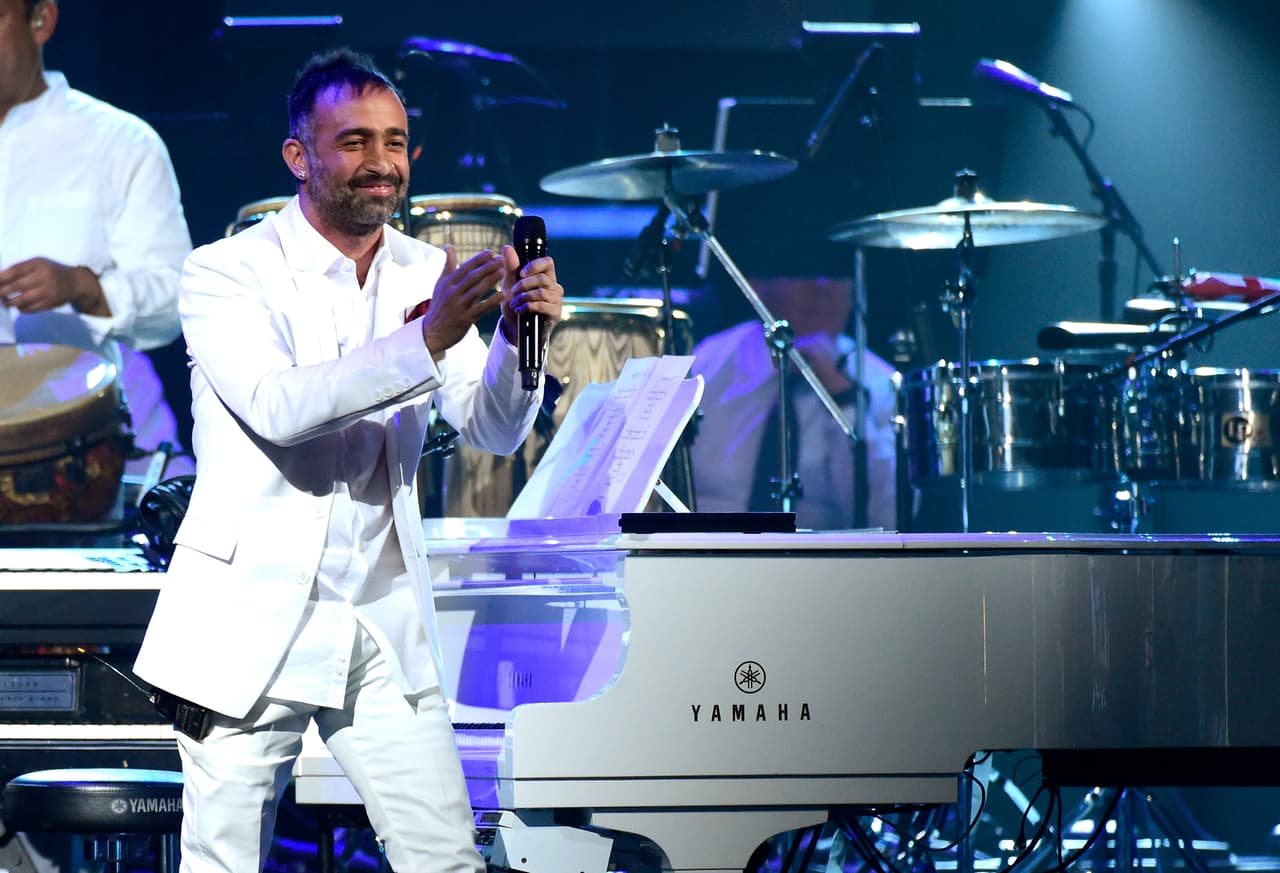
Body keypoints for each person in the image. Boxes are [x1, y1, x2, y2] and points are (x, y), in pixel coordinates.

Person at [133, 48, 562, 872]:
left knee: (444, 859)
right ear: (299, 156)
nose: (382, 164)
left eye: (396, 143)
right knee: (223, 861)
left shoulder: (424, 270)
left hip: (381, 616)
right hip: (249, 619)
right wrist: (427, 336)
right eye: (355, 142)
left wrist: (516, 341)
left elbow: (493, 427)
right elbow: (281, 407)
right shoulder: (225, 271)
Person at [0, 0, 195, 480]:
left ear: (41, 20)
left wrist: (85, 287)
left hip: (81, 457)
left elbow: (176, 301)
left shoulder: (120, 143)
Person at [690, 275, 897, 530]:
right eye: (804, 273)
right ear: (757, 284)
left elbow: (887, 519)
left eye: (836, 276)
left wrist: (843, 397)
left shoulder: (882, 383)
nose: (822, 287)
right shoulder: (706, 363)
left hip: (821, 564)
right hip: (705, 553)